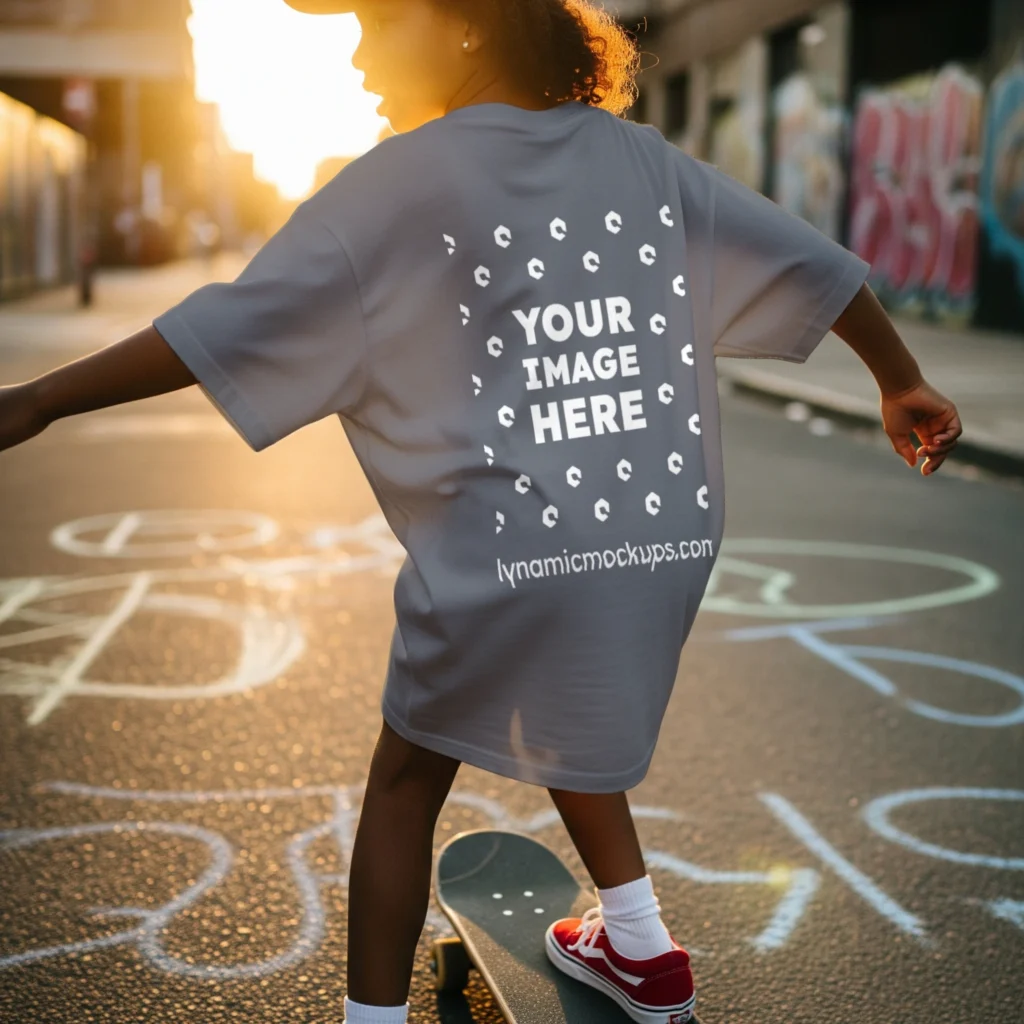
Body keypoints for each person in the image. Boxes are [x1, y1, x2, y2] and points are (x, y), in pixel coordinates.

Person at [0, 1, 963, 1022]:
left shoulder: (398, 180)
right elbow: (812, 265)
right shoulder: (642, 161)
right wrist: (899, 380)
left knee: (407, 779)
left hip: (511, 551)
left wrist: (43, 397)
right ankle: (639, 947)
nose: (360, 56)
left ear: (464, 27)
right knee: (560, 697)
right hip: (658, 536)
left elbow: (225, 328)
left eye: (375, 26)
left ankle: (370, 1019)